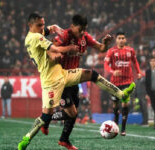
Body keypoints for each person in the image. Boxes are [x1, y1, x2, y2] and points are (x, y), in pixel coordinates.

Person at [18, 12, 135, 150]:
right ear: (30, 25)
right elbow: (53, 50)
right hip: (52, 81)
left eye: (43, 25)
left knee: (91, 75)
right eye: (39, 25)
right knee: (46, 117)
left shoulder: (41, 34)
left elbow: (48, 32)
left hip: (65, 74)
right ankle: (27, 139)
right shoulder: (40, 37)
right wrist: (66, 50)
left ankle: (121, 94)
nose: (42, 28)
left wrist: (54, 27)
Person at [43, 14, 115, 150]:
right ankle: (46, 119)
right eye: (79, 29)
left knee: (73, 114)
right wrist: (61, 53)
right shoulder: (63, 36)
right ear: (72, 26)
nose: (82, 32)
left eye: (84, 29)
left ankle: (63, 139)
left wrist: (105, 43)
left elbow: (101, 48)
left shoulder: (85, 37)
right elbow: (49, 52)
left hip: (74, 78)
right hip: (61, 79)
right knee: (72, 113)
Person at [104, 32, 142, 136]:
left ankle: (123, 129)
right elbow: (106, 65)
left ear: (125, 40)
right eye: (119, 38)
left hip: (127, 81)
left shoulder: (130, 50)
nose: (121, 40)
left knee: (125, 103)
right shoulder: (111, 51)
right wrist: (112, 71)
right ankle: (116, 123)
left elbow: (135, 62)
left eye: (123, 38)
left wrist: (139, 72)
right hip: (115, 82)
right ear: (116, 40)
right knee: (115, 104)